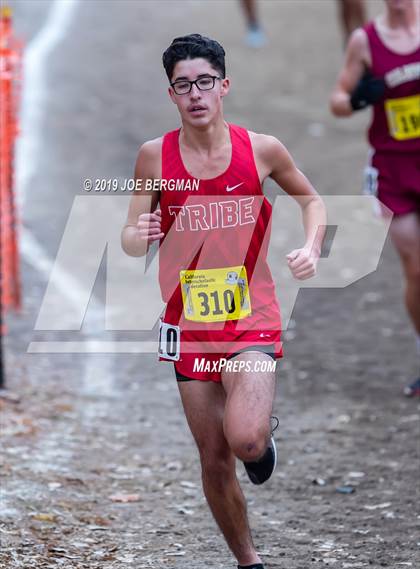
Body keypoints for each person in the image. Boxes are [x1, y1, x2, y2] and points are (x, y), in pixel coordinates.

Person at [122, 34, 326, 568]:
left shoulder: (262, 149)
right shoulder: (153, 157)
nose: (196, 94)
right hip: (187, 324)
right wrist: (137, 233)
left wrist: (310, 246)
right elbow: (127, 236)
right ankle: (248, 561)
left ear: (224, 86)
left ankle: (262, 440)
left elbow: (311, 200)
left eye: (205, 82)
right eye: (183, 85)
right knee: (214, 459)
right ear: (172, 94)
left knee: (246, 443)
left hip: (251, 317)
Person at [330, 0, 420, 397]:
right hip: (393, 168)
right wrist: (360, 97)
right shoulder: (364, 41)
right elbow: (337, 100)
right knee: (416, 268)